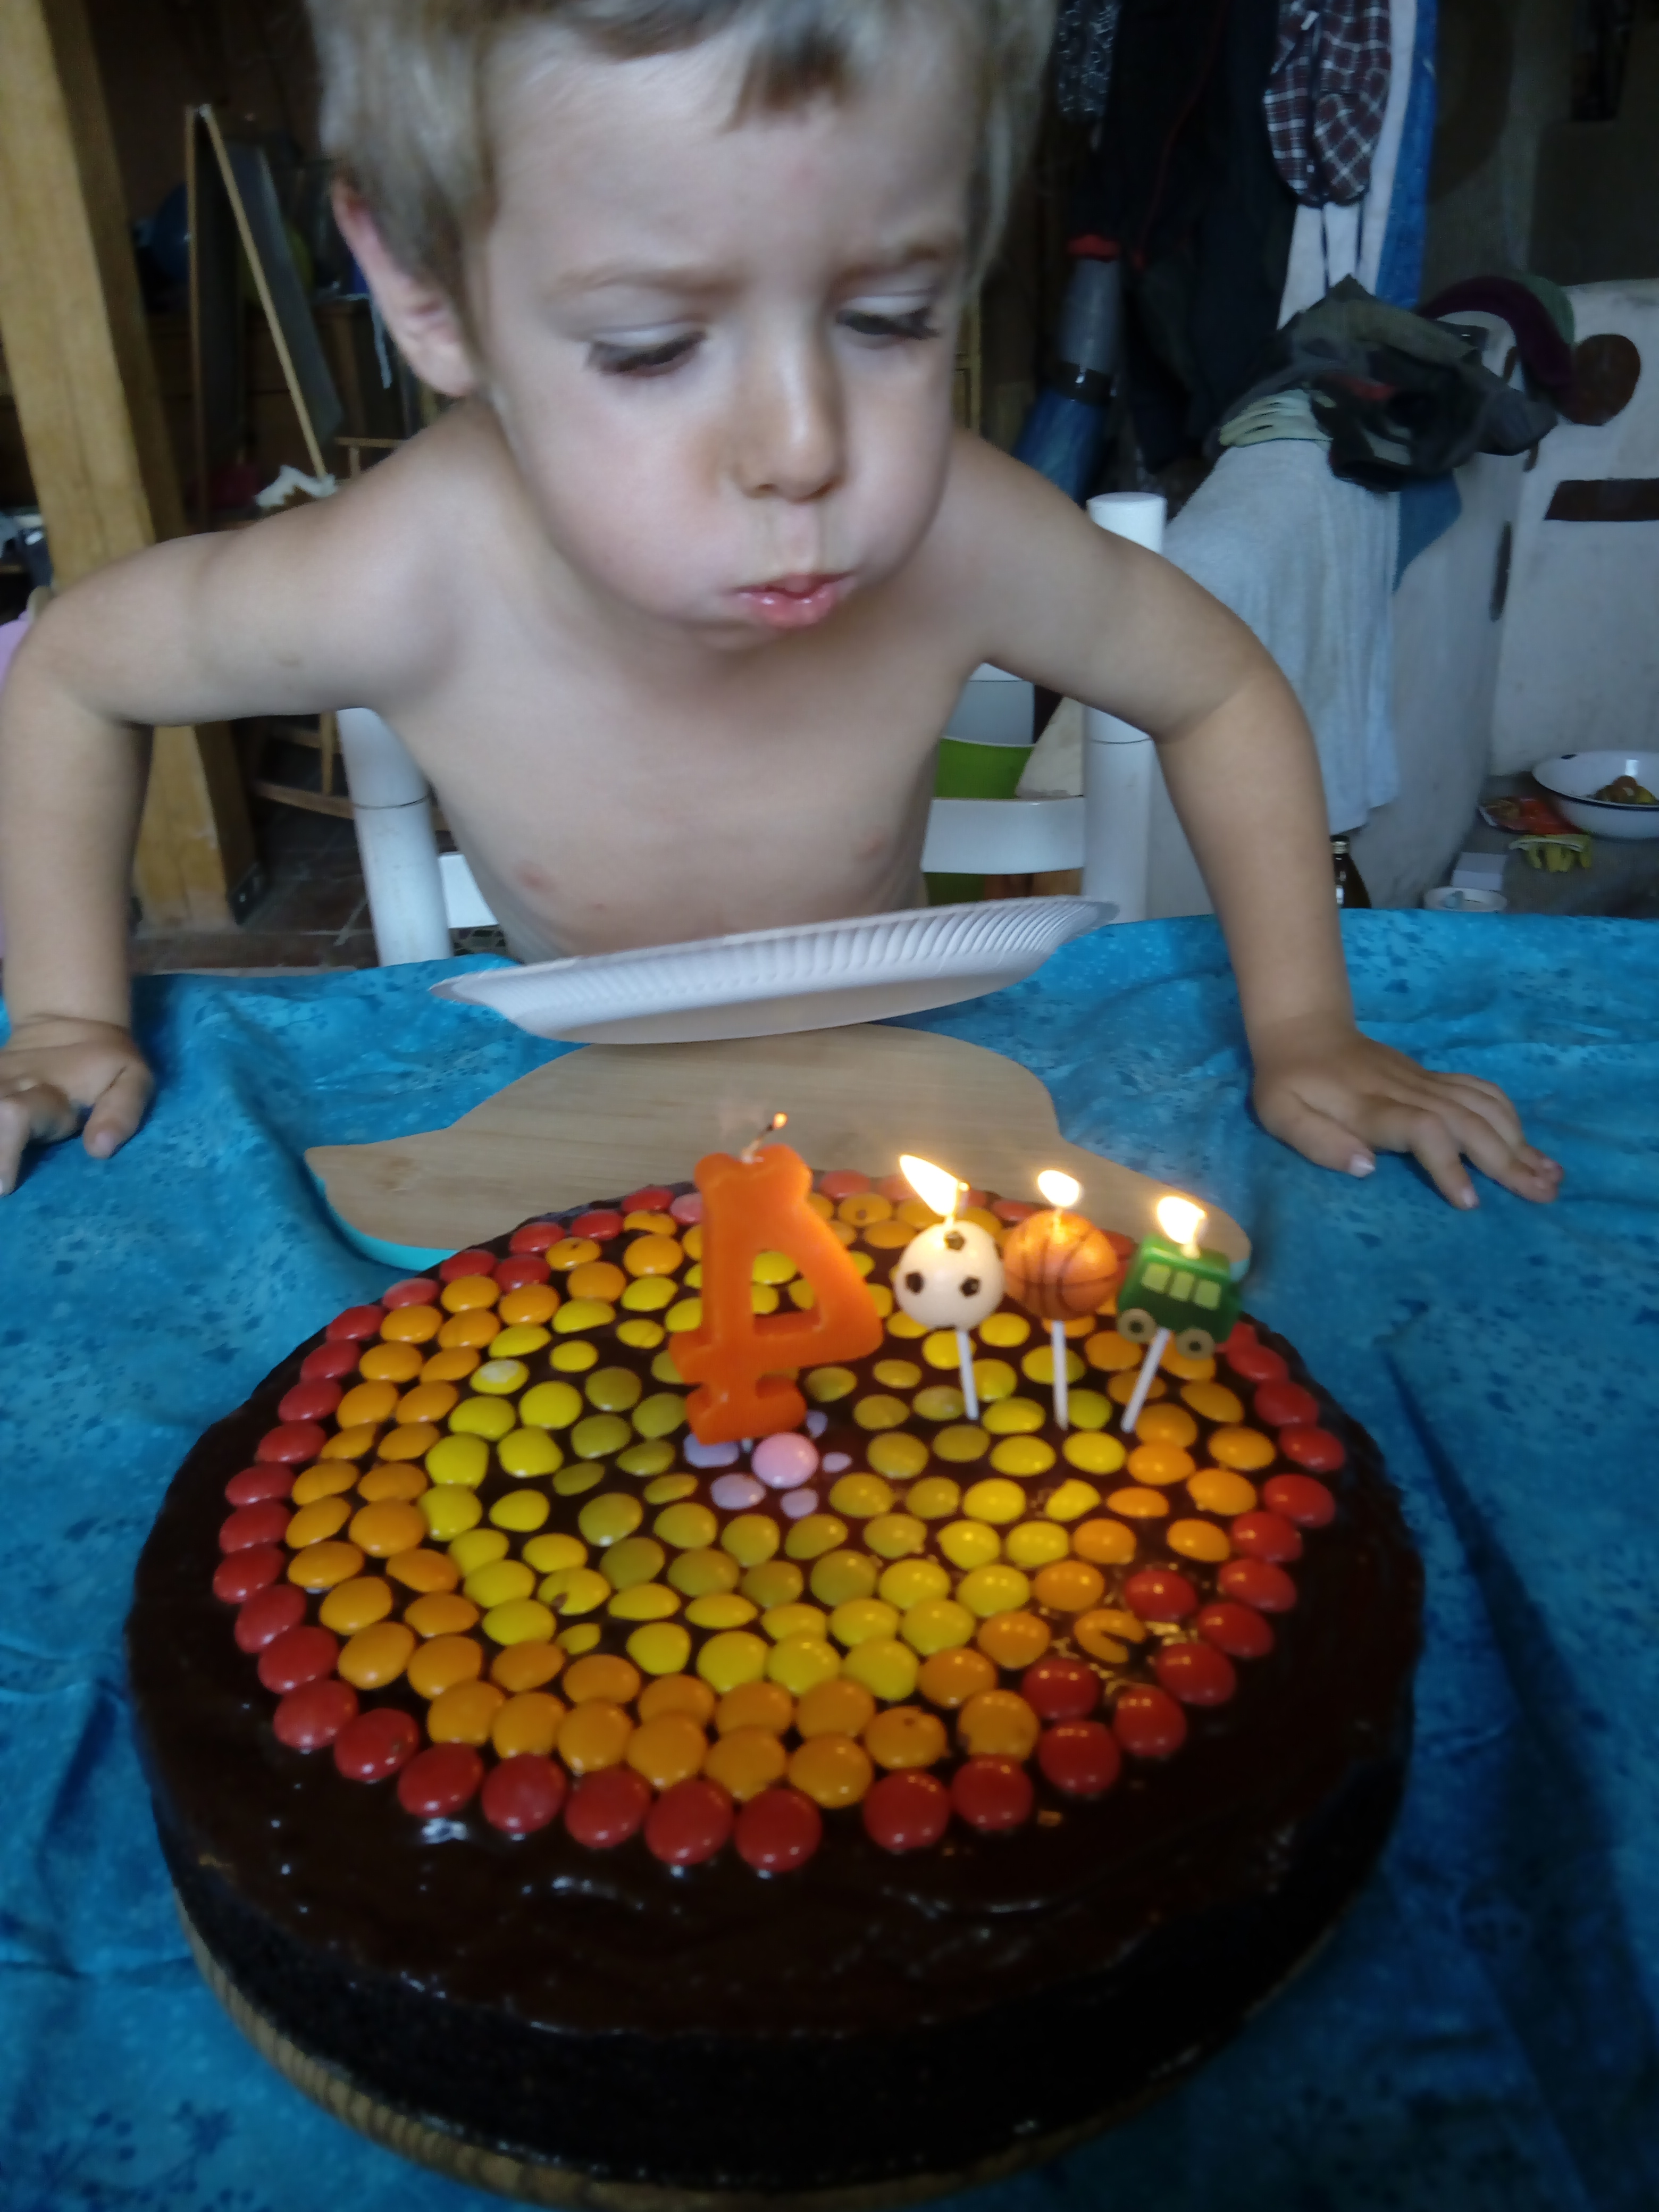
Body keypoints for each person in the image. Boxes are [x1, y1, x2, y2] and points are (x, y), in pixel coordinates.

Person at [0, 0, 1559, 1212]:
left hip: (903, 1117)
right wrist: (66, 1019)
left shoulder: (963, 535)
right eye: (653, 348)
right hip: (580, 1134)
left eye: (889, 318)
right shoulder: (394, 576)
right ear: (426, 290)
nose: (806, 448)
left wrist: (1305, 1027)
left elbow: (1217, 687)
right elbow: (72, 667)